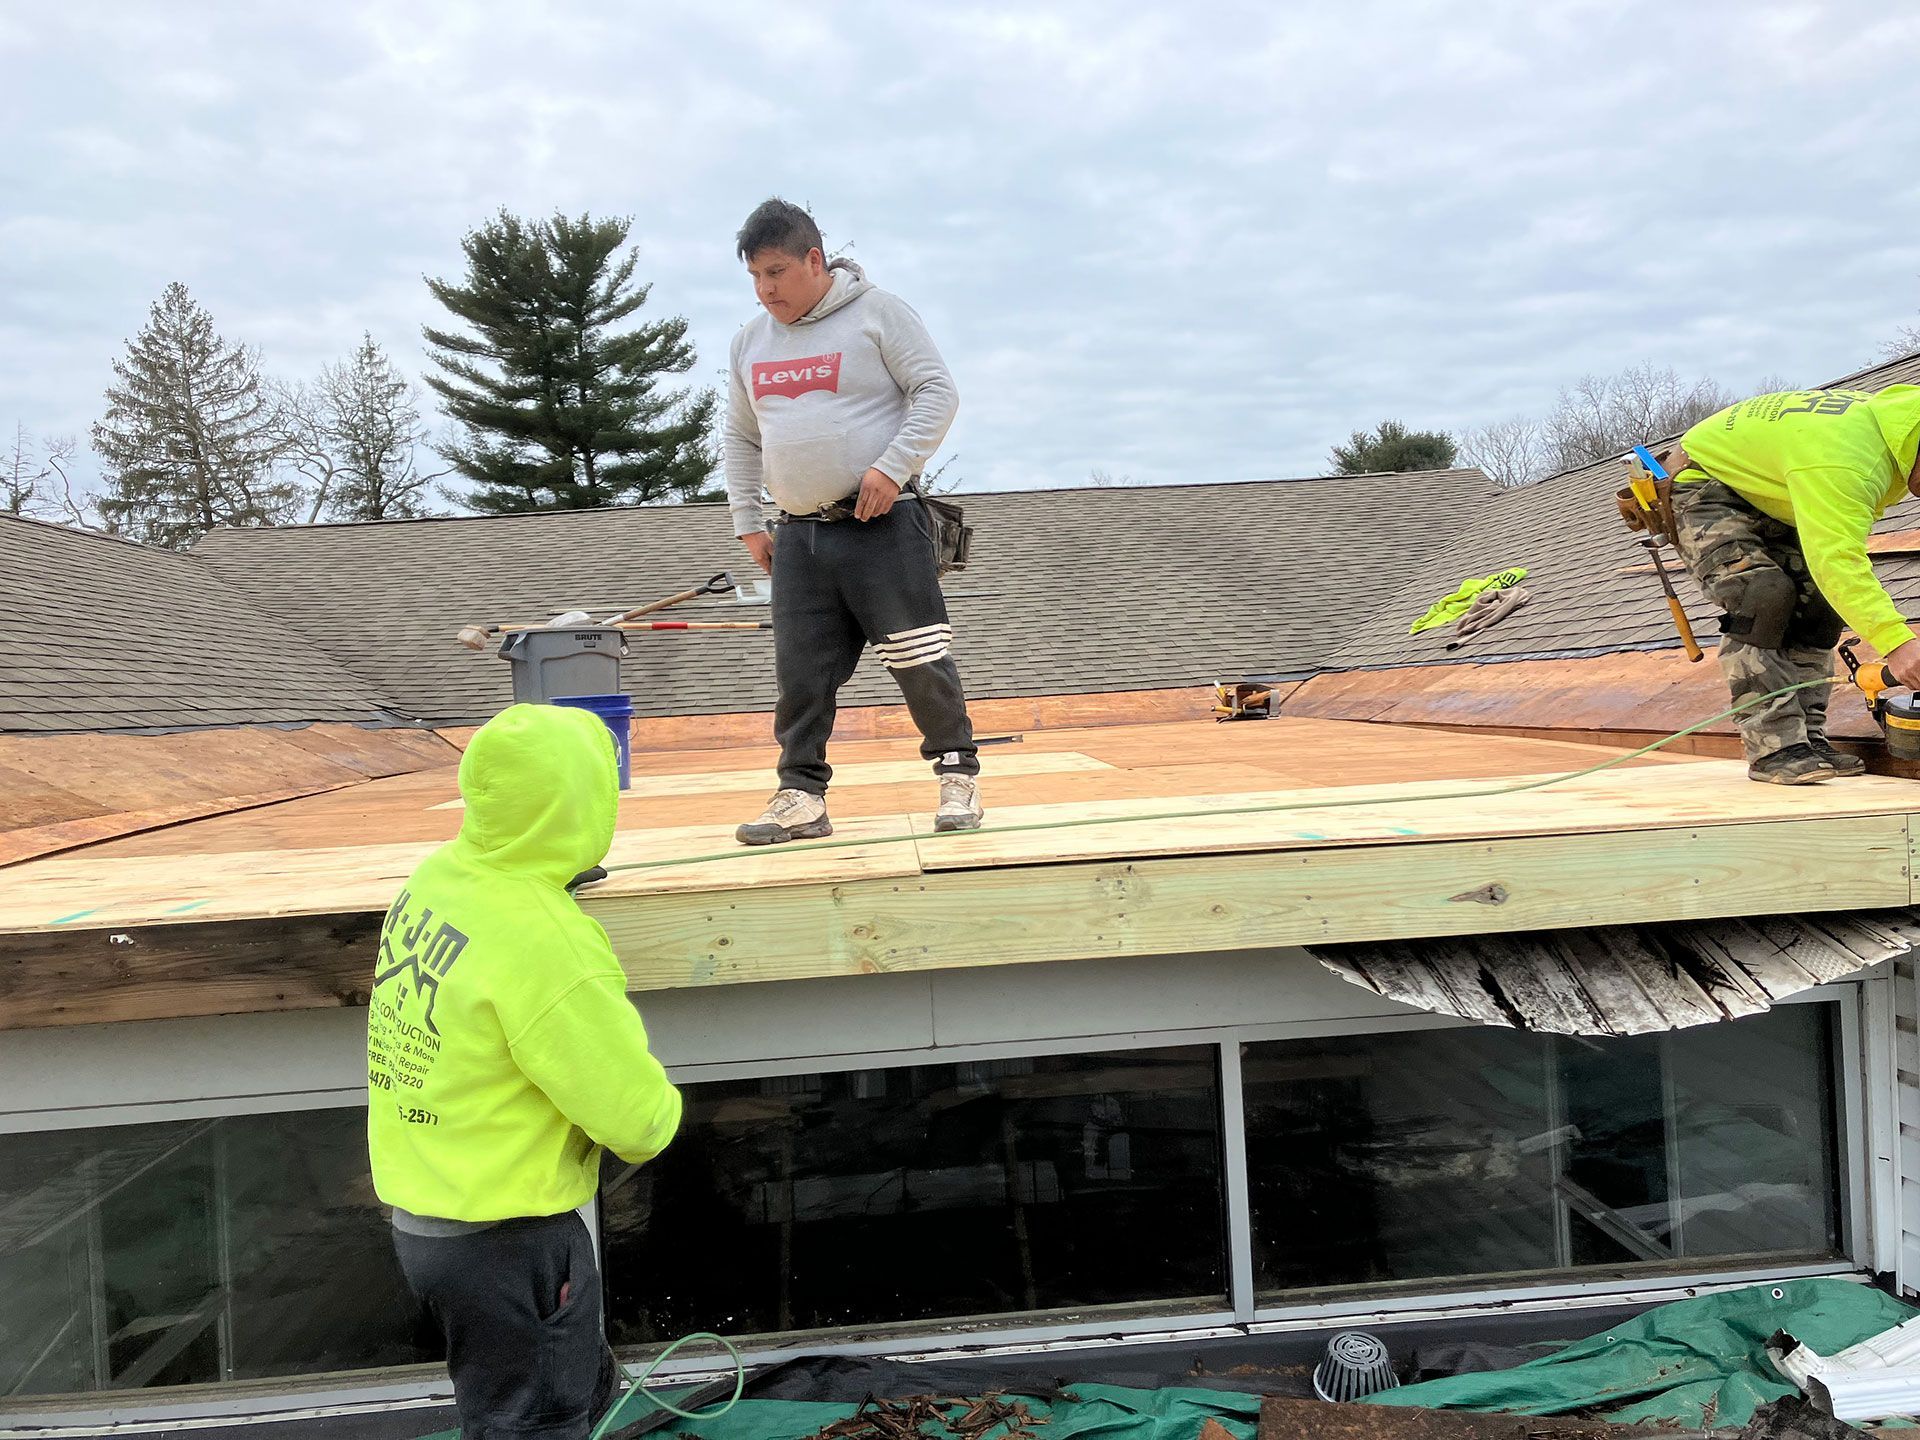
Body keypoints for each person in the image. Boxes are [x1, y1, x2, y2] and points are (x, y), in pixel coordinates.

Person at [368, 703, 682, 1437]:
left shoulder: (439, 879)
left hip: (428, 1221)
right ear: (584, 805)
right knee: (541, 1421)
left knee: (511, 1408)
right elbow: (639, 1122)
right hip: (511, 1243)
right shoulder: (545, 943)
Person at [724, 196, 982, 845]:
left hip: (883, 525)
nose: (765, 290)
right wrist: (748, 521)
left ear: (814, 259)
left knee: (919, 659)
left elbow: (937, 391)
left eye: (777, 272)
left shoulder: (878, 313)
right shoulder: (750, 341)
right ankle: (801, 796)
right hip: (799, 535)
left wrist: (892, 466)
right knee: (800, 674)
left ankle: (957, 775)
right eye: (755, 276)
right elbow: (740, 438)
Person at [1667, 384, 1920, 783]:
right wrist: (1898, 642)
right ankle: (1775, 747)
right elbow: (1836, 558)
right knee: (1761, 595)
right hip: (1705, 483)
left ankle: (1807, 737)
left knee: (1820, 602)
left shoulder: (1903, 434)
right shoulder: (1847, 460)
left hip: (1773, 490)